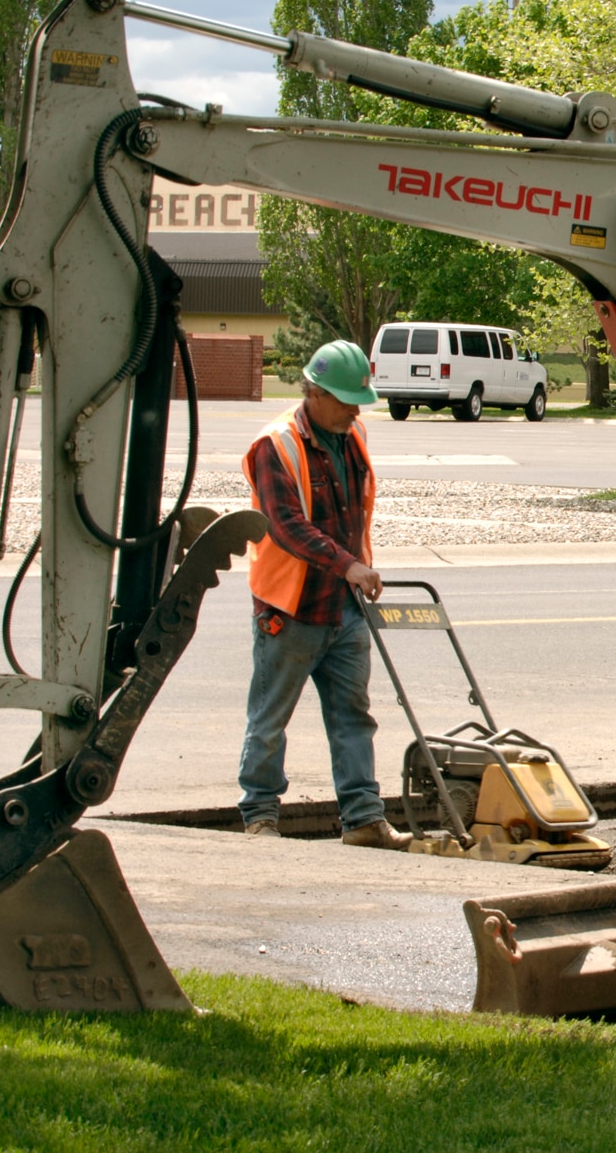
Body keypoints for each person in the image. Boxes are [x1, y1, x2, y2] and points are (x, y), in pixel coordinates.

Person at [236, 340, 411, 850]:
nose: (355, 409)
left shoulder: (352, 433)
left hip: (345, 609)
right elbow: (284, 525)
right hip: (291, 609)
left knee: (353, 715)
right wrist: (349, 565)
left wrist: (356, 569)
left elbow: (354, 511)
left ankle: (363, 819)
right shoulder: (275, 444)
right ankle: (260, 817)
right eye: (343, 398)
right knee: (270, 718)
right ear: (312, 392)